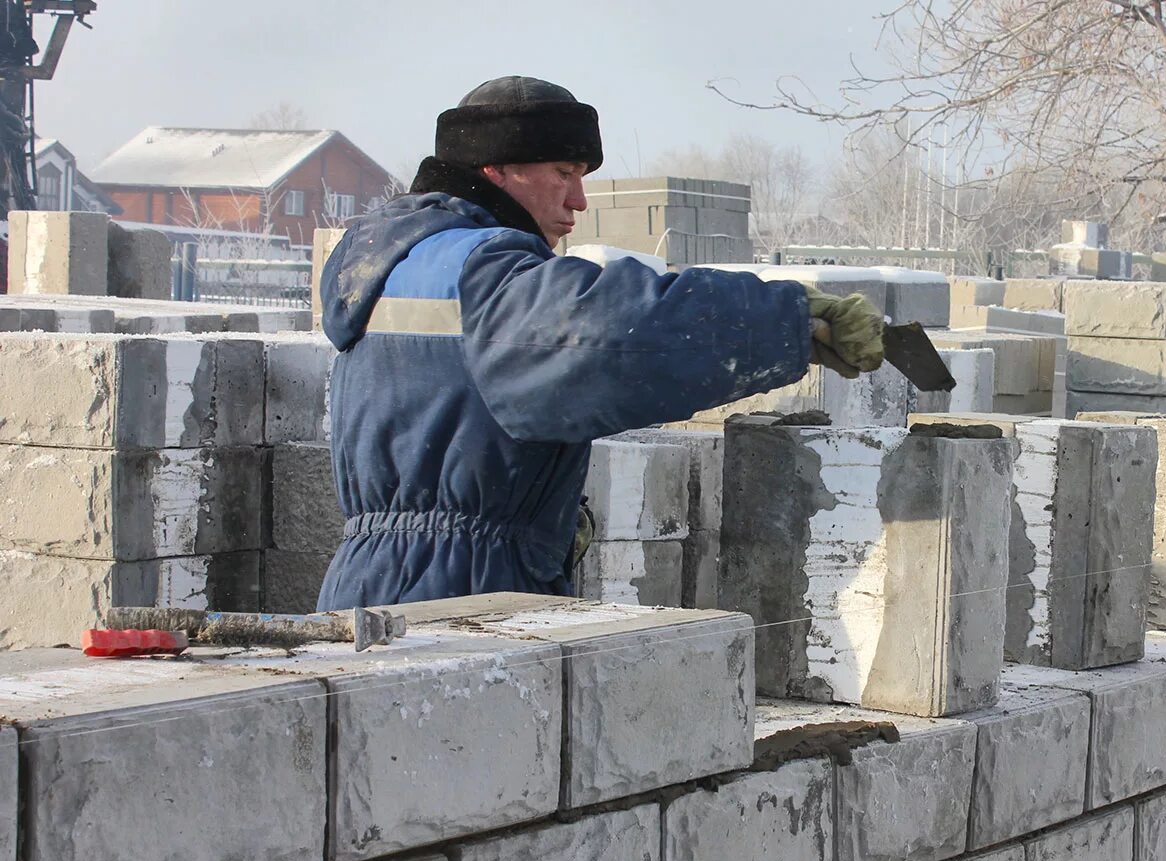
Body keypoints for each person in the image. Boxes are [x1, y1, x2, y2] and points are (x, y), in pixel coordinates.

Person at [313, 76, 885, 610]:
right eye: (565, 172)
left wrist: (530, 507)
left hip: (377, 578)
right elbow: (615, 334)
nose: (579, 200)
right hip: (455, 594)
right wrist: (788, 319)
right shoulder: (483, 266)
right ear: (497, 169)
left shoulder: (395, 260)